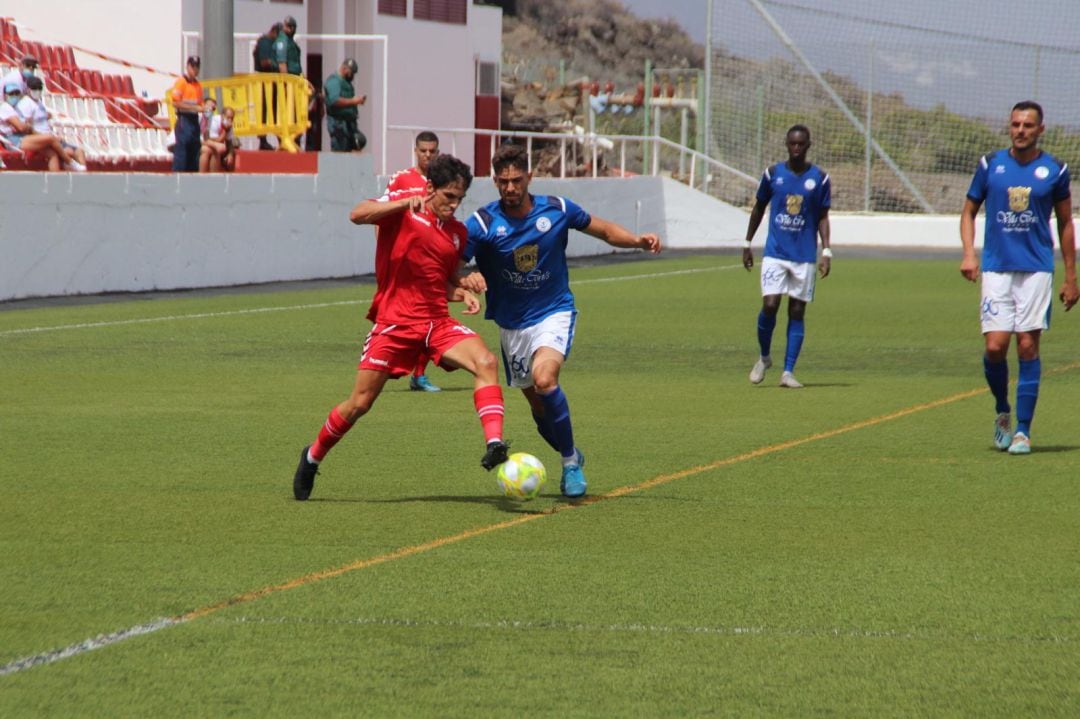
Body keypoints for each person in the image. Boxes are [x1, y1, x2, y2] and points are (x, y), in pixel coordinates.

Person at [292, 154, 510, 501]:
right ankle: (313, 456)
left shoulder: (457, 232)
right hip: (395, 324)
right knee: (359, 403)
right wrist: (398, 204)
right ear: (429, 189)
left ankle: (495, 444)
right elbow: (357, 214)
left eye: (459, 199)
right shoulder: (403, 214)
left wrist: (464, 286)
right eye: (448, 197)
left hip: (436, 322)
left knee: (486, 361)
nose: (453, 206)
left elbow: (440, 276)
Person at [460, 143, 662, 498]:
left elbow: (602, 230)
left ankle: (569, 465)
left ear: (530, 177)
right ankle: (570, 451)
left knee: (545, 379)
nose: (510, 188)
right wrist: (465, 281)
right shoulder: (482, 223)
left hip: (553, 311)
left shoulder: (556, 209)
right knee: (540, 411)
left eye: (517, 180)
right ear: (494, 181)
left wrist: (637, 241)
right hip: (512, 326)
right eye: (503, 181)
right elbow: (451, 261)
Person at [960, 100, 1077, 455]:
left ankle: (1023, 431)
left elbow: (1066, 222)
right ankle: (1002, 411)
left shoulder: (1055, 169)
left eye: (1027, 125)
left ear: (1041, 129)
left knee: (1027, 344)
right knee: (995, 347)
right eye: (1015, 125)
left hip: (1037, 268)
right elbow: (968, 212)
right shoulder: (989, 164)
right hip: (996, 267)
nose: (1020, 131)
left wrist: (1072, 276)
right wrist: (969, 253)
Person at [742, 124, 831, 389]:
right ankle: (764, 357)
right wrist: (747, 243)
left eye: (800, 144)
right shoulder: (772, 175)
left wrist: (826, 250)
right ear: (786, 144)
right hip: (775, 253)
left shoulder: (820, 179)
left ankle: (788, 371)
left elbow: (823, 217)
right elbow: (759, 208)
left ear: (808, 145)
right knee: (770, 305)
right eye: (792, 144)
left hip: (804, 256)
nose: (796, 148)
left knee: (797, 311)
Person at [385, 131, 442, 391]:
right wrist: (385, 254)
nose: (428, 155)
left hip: (429, 264)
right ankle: (384, 362)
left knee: (433, 318)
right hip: (401, 264)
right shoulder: (401, 179)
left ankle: (418, 374)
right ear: (415, 151)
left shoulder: (442, 179)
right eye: (423, 151)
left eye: (432, 151)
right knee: (393, 317)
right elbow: (382, 215)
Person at [0, 83, 75, 172]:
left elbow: (27, 126)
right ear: (5, 95)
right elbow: (21, 127)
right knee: (50, 138)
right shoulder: (5, 107)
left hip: (21, 136)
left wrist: (27, 126)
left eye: (17, 93)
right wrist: (27, 126)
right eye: (11, 94)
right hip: (13, 139)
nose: (14, 96)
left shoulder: (16, 108)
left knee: (52, 154)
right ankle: (70, 162)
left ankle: (55, 181)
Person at [18, 75, 87, 169]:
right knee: (68, 152)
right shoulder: (26, 104)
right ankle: (70, 164)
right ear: (29, 89)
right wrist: (49, 137)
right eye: (35, 88)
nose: (37, 91)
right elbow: (28, 127)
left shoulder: (39, 103)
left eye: (39, 88)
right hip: (40, 138)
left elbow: (43, 117)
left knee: (79, 151)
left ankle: (82, 175)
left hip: (49, 136)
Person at [324, 58, 367, 153]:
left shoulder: (347, 84)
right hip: (338, 124)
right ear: (344, 68)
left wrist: (357, 101)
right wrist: (354, 101)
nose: (352, 76)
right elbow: (334, 100)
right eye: (351, 72)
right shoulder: (334, 81)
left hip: (349, 125)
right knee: (340, 151)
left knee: (360, 141)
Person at [169, 56, 204, 172]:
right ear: (187, 66)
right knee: (182, 149)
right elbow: (176, 103)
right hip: (184, 119)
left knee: (194, 150)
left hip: (194, 120)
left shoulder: (198, 85)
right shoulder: (181, 82)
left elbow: (200, 103)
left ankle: (192, 175)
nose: (195, 70)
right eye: (192, 67)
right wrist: (194, 107)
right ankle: (178, 175)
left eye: (197, 67)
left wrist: (206, 108)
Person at [253, 22, 282, 150]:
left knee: (274, 112)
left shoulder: (273, 44)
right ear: (274, 32)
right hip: (265, 83)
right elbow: (265, 62)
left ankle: (280, 139)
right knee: (264, 112)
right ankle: (263, 140)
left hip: (272, 83)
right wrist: (278, 66)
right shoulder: (265, 42)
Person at [199, 106, 236, 173]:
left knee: (222, 151)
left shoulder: (229, 126)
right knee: (209, 150)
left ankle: (216, 177)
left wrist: (230, 154)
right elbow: (209, 139)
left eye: (232, 118)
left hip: (211, 144)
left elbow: (229, 142)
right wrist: (225, 132)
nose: (230, 120)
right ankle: (203, 176)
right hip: (202, 141)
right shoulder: (214, 121)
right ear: (222, 116)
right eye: (228, 117)